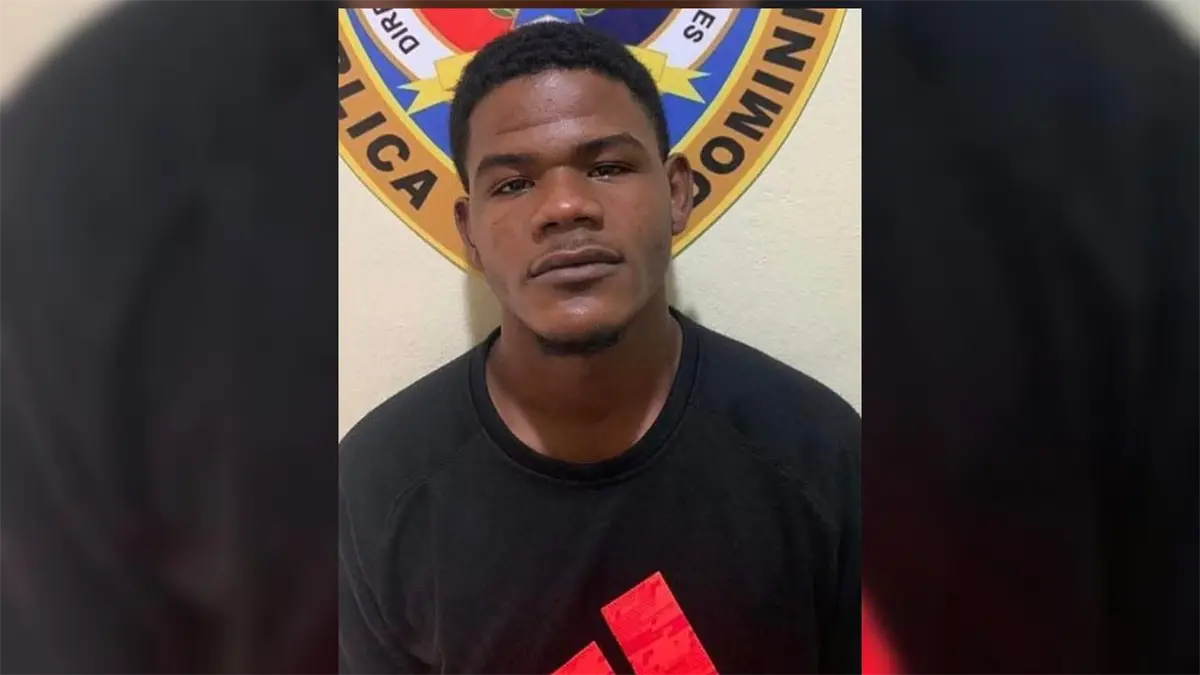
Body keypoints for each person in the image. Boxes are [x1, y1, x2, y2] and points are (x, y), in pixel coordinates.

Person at [338, 21, 861, 675]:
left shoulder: (821, 456)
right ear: (469, 231)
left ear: (677, 193)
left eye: (608, 167)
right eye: (513, 183)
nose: (564, 206)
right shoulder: (376, 484)